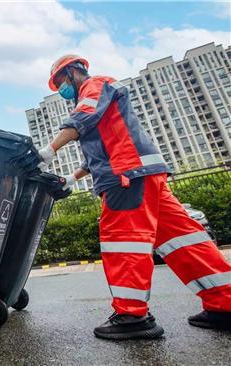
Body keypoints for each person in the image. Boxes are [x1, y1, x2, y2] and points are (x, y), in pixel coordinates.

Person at [39, 54, 231, 340]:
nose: (61, 89)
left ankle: (132, 314)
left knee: (123, 240)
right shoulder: (101, 109)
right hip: (145, 175)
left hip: (126, 177)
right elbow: (96, 155)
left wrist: (49, 150)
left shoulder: (96, 85)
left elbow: (82, 117)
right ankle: (225, 303)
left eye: (60, 82)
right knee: (185, 240)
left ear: (72, 72)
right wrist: (71, 177)